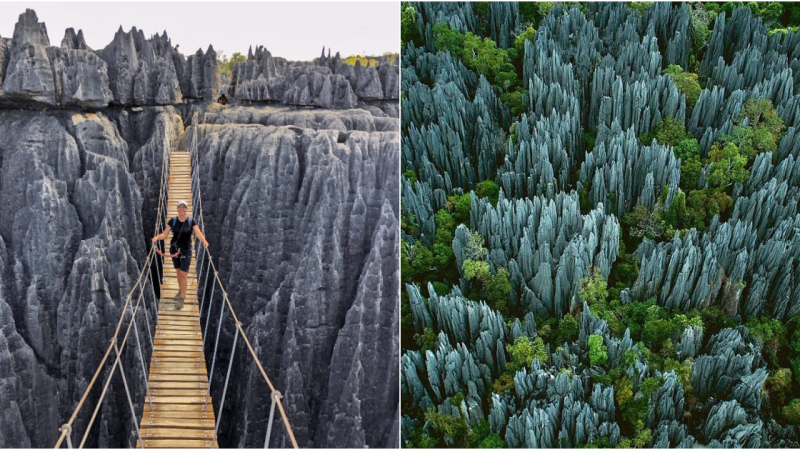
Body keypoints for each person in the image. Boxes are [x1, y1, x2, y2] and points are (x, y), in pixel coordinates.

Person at [151, 200, 209, 310]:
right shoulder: (172, 221)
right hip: (174, 250)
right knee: (178, 273)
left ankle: (182, 298)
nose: (182, 210)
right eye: (180, 207)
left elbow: (198, 233)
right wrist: (157, 237)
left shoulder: (191, 221)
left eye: (184, 208)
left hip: (186, 251)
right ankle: (181, 290)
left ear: (187, 209)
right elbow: (164, 234)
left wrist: (204, 241)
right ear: (177, 208)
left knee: (183, 274)